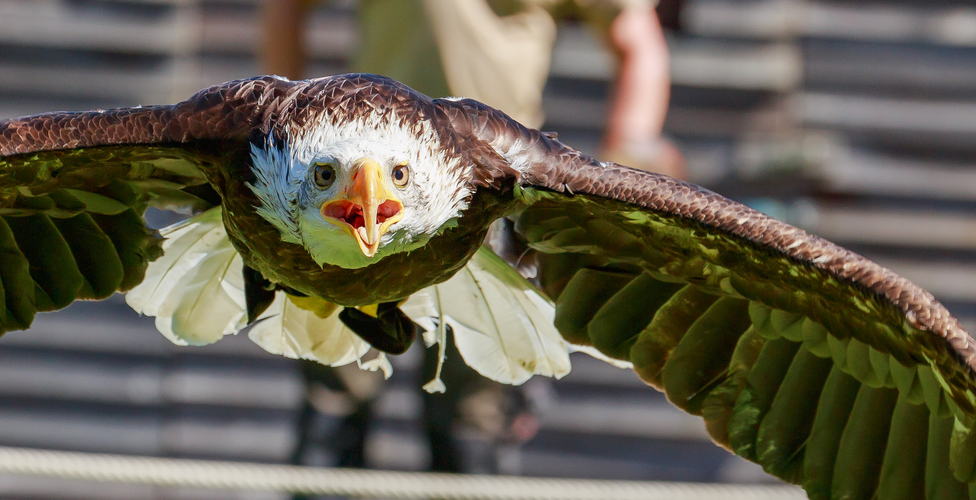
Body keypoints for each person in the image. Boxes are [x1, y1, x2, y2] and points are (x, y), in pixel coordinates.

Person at [262, 0, 688, 481]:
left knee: (472, 429)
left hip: (488, 201)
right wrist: (288, 136)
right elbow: (287, 10)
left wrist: (624, 161)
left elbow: (639, 43)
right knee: (332, 413)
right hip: (357, 199)